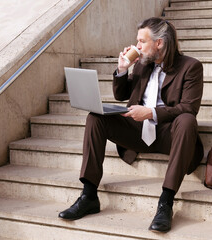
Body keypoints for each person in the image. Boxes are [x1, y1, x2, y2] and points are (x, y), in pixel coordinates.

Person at [59, 17, 204, 233]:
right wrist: (122, 69)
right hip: (137, 132)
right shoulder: (142, 65)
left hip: (169, 134)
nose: (137, 46)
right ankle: (89, 195)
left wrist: (152, 112)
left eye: (141, 42)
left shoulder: (190, 67)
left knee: (187, 121)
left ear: (160, 43)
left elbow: (188, 108)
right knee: (95, 117)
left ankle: (166, 202)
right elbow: (121, 94)